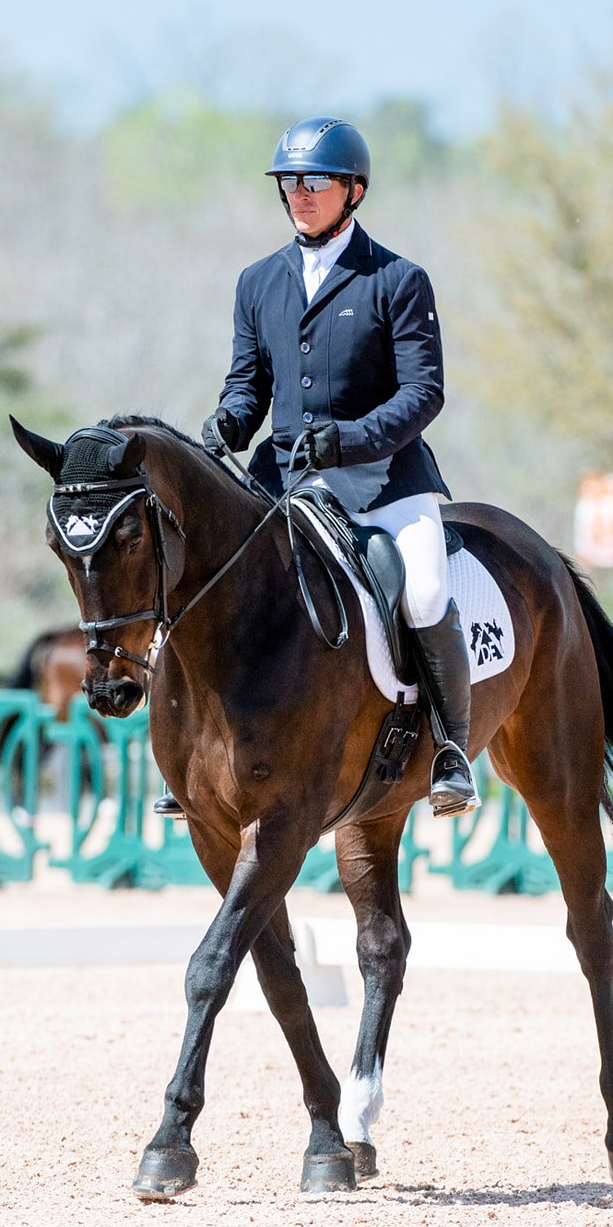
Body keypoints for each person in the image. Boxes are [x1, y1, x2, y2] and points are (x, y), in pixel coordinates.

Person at [202, 116, 478, 817]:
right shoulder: (257, 281)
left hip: (383, 478)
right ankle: (201, 752)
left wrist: (348, 441)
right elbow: (248, 386)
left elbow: (424, 392)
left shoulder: (396, 279)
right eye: (290, 182)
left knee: (420, 592)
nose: (299, 193)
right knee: (211, 578)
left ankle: (449, 750)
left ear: (354, 190)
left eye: (315, 181)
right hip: (284, 478)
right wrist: (230, 421)